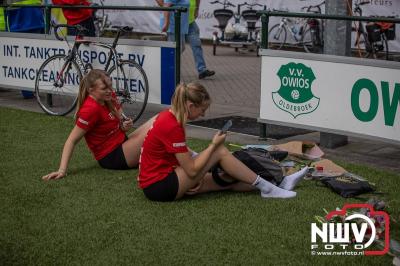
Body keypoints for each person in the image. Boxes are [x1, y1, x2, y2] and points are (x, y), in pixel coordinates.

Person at [138, 82, 308, 201]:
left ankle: (276, 184)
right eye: (202, 110)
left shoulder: (170, 116)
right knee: (219, 151)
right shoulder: (171, 124)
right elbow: (190, 170)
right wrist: (212, 147)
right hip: (159, 186)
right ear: (191, 106)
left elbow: (181, 153)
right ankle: (270, 189)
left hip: (166, 179)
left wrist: (197, 169)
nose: (203, 115)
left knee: (228, 179)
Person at [42, 69, 154, 180]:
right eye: (104, 88)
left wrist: (124, 125)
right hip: (112, 157)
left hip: (123, 143)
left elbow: (120, 123)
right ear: (91, 90)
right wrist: (62, 170)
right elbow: (71, 140)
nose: (109, 90)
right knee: (157, 125)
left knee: (159, 118)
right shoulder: (90, 109)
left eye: (110, 86)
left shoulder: (109, 95)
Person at [156, 0, 215, 80]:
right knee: (178, 48)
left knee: (196, 44)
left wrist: (196, 9)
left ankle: (202, 70)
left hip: (189, 21)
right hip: (176, 23)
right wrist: (166, 23)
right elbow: (166, 4)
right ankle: (166, 69)